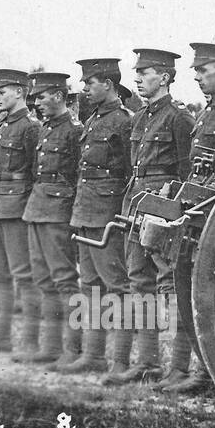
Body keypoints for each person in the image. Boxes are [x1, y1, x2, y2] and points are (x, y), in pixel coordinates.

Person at [111, 49, 193, 385]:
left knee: (168, 284)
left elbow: (187, 173)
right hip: (137, 203)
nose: (137, 79)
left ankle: (179, 366)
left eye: (144, 73)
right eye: (137, 74)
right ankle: (147, 362)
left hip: (164, 209)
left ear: (165, 77)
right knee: (138, 279)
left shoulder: (179, 119)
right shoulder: (139, 118)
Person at [57, 58, 132, 374]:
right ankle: (93, 355)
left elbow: (130, 174)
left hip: (107, 214)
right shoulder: (92, 121)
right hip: (85, 211)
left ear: (109, 84)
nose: (84, 88)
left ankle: (122, 360)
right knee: (89, 285)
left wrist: (121, 216)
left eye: (90, 83)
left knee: (118, 287)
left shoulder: (124, 122)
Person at [0, 69, 41, 354]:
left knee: (23, 275)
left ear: (19, 91)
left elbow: (34, 174)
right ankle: (1, 336)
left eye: (2, 92)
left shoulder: (30, 127)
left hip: (15, 208)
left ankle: (29, 341)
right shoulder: (3, 127)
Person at [21, 72, 82, 366]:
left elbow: (78, 176)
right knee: (43, 279)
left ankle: (72, 349)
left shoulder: (74, 130)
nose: (37, 103)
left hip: (58, 212)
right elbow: (37, 171)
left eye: (42, 97)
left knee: (64, 281)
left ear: (58, 96)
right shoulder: (44, 129)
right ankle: (51, 346)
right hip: (37, 208)